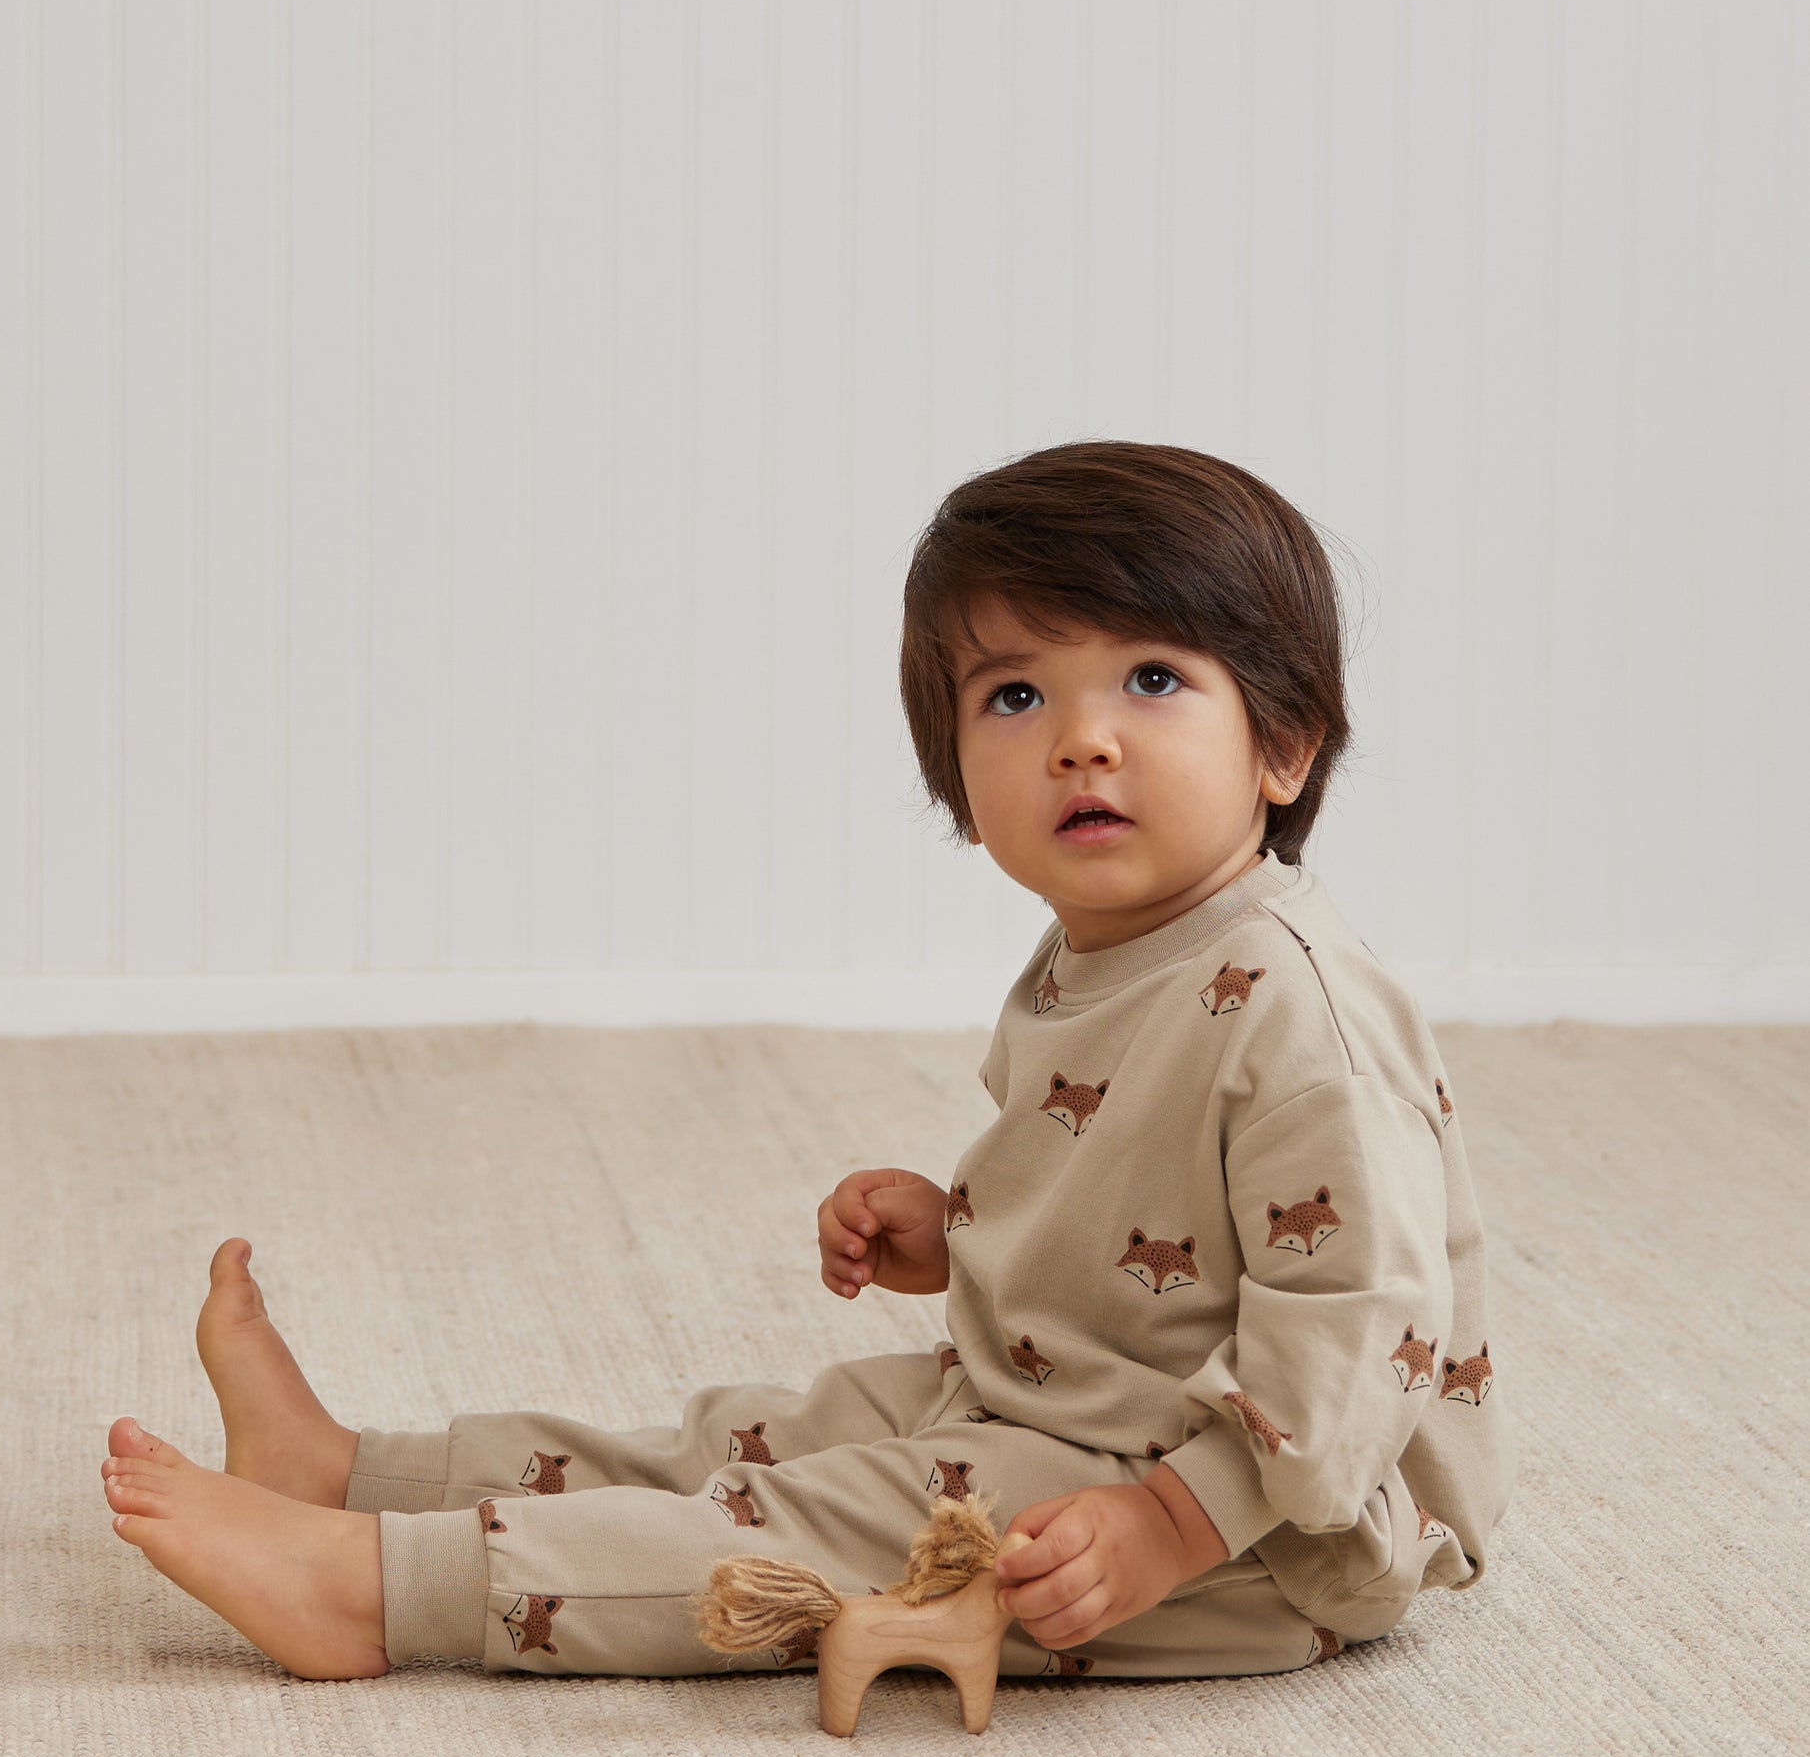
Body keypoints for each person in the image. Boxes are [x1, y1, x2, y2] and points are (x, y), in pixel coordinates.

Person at [99, 441, 1515, 1688]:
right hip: (1052, 1405)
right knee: (757, 1439)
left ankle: (372, 1590)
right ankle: (348, 1474)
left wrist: (1167, 1522)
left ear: (1282, 745)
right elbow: (1156, 1226)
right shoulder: (1107, 950)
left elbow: (1354, 1326)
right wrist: (962, 1237)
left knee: (804, 1530)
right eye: (1015, 696)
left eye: (1152, 680)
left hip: (1265, 1529)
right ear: (956, 779)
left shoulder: (1299, 1007)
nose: (1081, 738)